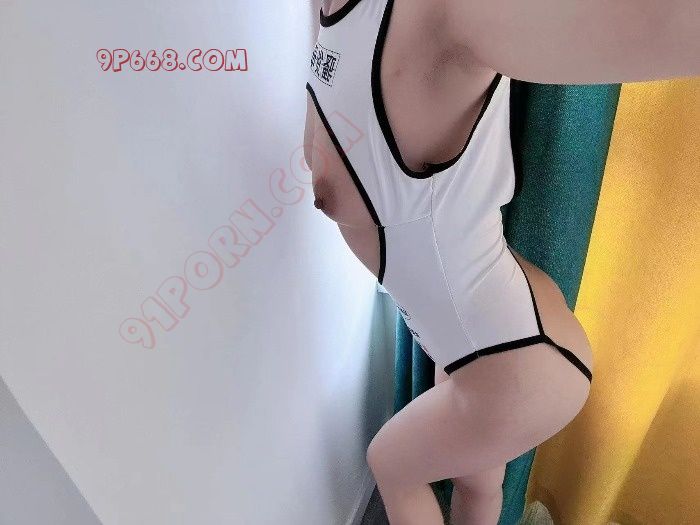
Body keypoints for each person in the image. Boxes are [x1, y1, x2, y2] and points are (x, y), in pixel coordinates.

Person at [303, 1, 699, 523]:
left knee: (393, 465)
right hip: (472, 345)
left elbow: (667, 24)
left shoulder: (447, 13)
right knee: (476, 483)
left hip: (514, 364)